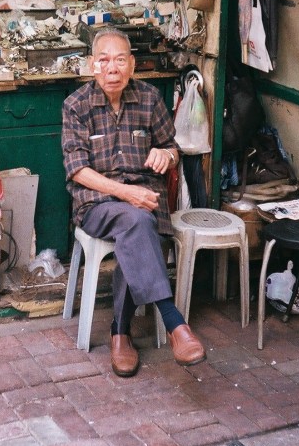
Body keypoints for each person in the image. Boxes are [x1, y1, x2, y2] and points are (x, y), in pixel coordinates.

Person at [62, 27, 205, 377]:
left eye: (120, 60)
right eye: (104, 60)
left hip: (143, 202)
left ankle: (120, 333)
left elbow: (173, 148)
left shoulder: (150, 98)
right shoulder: (76, 105)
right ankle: (174, 323)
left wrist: (165, 156)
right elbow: (78, 170)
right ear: (91, 65)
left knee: (137, 225)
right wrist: (127, 194)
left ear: (132, 65)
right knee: (136, 219)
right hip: (97, 205)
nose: (112, 68)